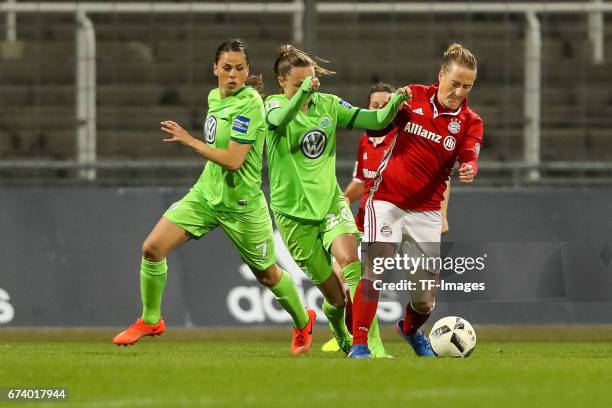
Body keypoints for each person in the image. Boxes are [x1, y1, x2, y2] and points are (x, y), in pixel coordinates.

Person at [112, 39, 315, 356]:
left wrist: (189, 141)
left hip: (243, 207)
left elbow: (234, 161)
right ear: (215, 69)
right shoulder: (214, 97)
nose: (232, 74)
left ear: (247, 71)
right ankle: (151, 319)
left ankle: (303, 322)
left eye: (239, 68)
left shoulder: (249, 105)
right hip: (206, 196)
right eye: (227, 68)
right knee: (152, 248)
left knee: (268, 274)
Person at [264, 45, 410, 356]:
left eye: (311, 80)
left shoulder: (328, 105)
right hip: (293, 216)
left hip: (330, 203)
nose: (307, 88)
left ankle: (369, 344)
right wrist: (302, 94)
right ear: (281, 81)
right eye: (298, 83)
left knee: (352, 262)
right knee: (336, 299)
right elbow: (280, 122)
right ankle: (337, 323)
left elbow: (374, 119)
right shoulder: (272, 105)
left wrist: (396, 102)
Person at [349, 43, 483, 359]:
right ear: (441, 76)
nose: (459, 92)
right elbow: (378, 124)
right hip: (386, 200)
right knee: (375, 268)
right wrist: (393, 103)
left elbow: (469, 155)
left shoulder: (470, 122)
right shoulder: (414, 97)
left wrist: (469, 167)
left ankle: (409, 329)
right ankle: (359, 345)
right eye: (455, 84)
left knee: (424, 300)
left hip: (426, 210)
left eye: (467, 86)